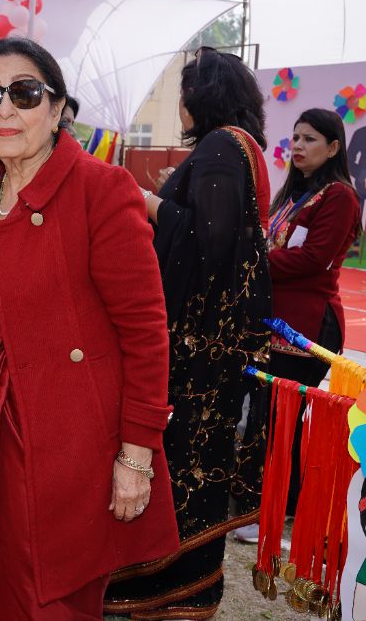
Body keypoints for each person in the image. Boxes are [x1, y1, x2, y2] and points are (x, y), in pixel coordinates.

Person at [0, 38, 177, 620]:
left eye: (24, 93)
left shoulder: (101, 188)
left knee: (49, 602)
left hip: (66, 447)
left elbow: (146, 333)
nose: (5, 109)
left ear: (57, 108)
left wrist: (136, 457)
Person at [103, 47, 273, 619]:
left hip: (197, 351)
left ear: (201, 96)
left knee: (183, 461)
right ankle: (176, 587)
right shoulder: (239, 147)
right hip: (211, 348)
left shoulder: (221, 146)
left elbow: (209, 243)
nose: (180, 103)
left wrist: (149, 202)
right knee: (193, 460)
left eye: (183, 92)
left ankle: (167, 589)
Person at [257, 108, 360, 520]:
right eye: (296, 138)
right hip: (276, 319)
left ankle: (284, 505)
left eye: (310, 139)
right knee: (269, 415)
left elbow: (314, 259)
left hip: (308, 325)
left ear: (333, 148)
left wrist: (253, 261)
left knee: (287, 419)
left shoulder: (339, 196)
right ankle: (267, 497)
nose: (298, 146)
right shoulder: (294, 194)